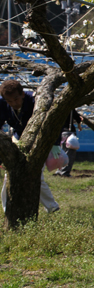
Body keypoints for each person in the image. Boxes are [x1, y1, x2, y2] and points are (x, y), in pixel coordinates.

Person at [0, 79, 60, 213]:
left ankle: (52, 206)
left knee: (35, 173)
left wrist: (55, 142)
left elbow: (55, 120)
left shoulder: (36, 102)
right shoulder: (2, 103)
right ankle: (7, 208)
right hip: (18, 138)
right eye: (9, 101)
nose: (14, 103)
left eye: (16, 99)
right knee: (9, 174)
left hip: (39, 138)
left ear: (22, 94)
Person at [54, 109, 83, 177]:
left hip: (60, 133)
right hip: (69, 133)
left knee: (61, 152)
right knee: (69, 153)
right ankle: (64, 172)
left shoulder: (58, 109)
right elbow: (78, 118)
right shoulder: (70, 108)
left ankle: (59, 170)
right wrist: (79, 125)